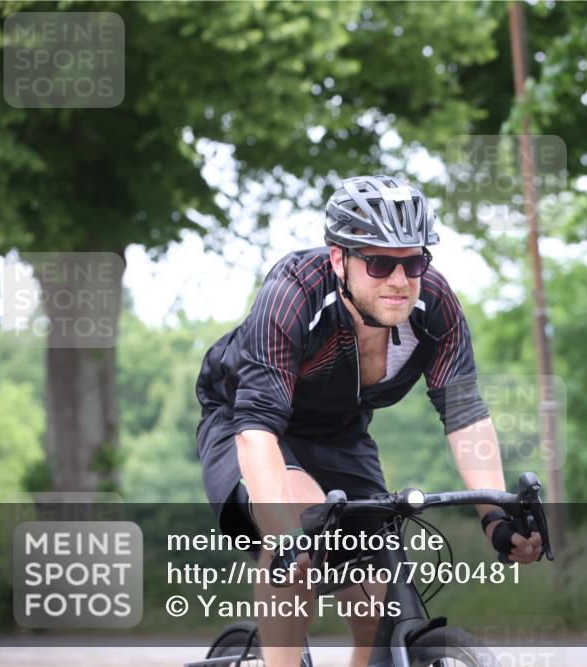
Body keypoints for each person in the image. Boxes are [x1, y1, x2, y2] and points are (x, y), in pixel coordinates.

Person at [196, 175, 543, 667]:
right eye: (379, 263)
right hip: (245, 423)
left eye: (414, 261)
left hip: (339, 431)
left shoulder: (434, 305)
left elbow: (465, 416)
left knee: (374, 584)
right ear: (339, 258)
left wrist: (495, 517)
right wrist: (283, 534)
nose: (399, 281)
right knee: (303, 528)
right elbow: (258, 434)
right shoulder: (294, 294)